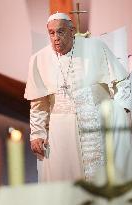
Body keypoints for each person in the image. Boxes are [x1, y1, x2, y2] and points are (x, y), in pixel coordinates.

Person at [24, 13, 132, 182]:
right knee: (66, 179)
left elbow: (123, 80)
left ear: (72, 30)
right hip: (61, 131)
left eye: (61, 32)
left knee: (104, 179)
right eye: (51, 33)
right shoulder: (39, 59)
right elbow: (39, 103)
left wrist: (122, 111)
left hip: (98, 124)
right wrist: (37, 133)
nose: (56, 38)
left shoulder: (95, 47)